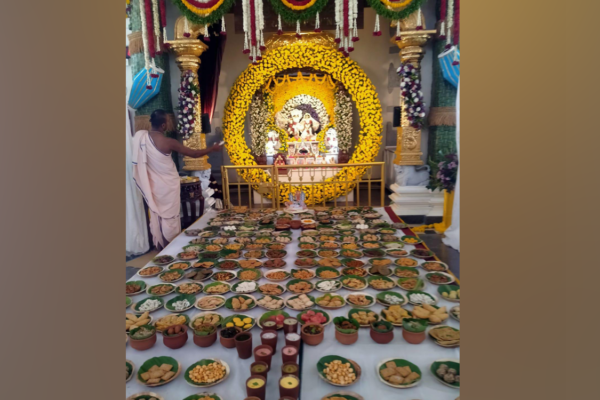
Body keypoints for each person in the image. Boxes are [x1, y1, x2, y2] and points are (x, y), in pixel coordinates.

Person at [132, 109, 222, 250]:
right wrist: (212, 149)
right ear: (163, 125)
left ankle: (160, 246)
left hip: (153, 186)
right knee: (171, 217)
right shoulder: (168, 142)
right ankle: (170, 246)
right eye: (167, 122)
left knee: (158, 215)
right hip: (167, 186)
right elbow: (194, 153)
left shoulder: (141, 138)